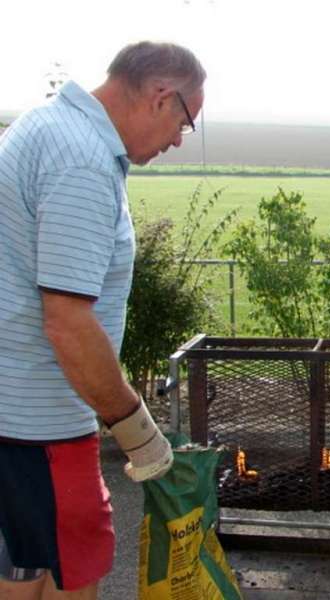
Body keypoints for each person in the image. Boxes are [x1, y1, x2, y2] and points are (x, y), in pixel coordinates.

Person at [0, 42, 205, 598]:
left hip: (15, 414)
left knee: (24, 568)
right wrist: (138, 432)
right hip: (40, 423)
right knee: (70, 575)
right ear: (163, 97)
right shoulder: (83, 161)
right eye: (185, 123)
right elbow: (68, 323)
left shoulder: (44, 126)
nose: (176, 142)